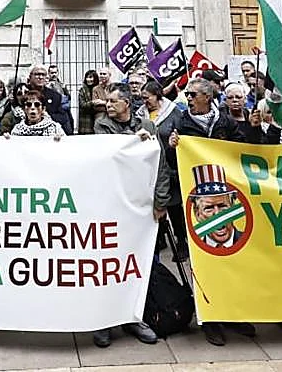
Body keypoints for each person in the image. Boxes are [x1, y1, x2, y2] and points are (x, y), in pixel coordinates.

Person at [166, 78, 253, 346]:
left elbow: (242, 149)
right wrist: (173, 147)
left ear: (207, 96)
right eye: (187, 94)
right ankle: (210, 318)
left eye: (193, 94)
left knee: (231, 257)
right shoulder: (182, 124)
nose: (189, 98)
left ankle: (233, 314)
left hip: (227, 200)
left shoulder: (225, 122)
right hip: (199, 204)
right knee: (204, 260)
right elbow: (172, 163)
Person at [90, 84, 164, 348]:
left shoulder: (148, 125)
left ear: (127, 104)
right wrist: (134, 139)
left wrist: (161, 200)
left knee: (137, 262)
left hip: (141, 205)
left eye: (113, 101)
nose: (108, 105)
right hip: (112, 203)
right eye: (107, 101)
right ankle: (104, 321)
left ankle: (134, 317)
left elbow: (160, 163)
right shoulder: (101, 125)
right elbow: (110, 156)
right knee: (107, 262)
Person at [26, 64, 71, 134]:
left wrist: (44, 116)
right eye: (37, 74)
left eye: (43, 74)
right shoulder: (22, 93)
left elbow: (63, 117)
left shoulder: (55, 96)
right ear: (30, 76)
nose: (40, 77)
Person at [77, 69, 106, 134]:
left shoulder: (99, 89)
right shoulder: (83, 90)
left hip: (99, 118)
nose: (88, 79)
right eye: (87, 77)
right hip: (86, 120)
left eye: (90, 77)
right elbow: (82, 104)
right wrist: (92, 102)